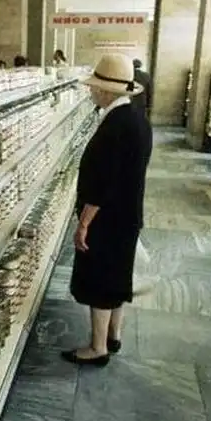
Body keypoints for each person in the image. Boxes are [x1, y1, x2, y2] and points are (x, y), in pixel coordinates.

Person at [62, 53, 153, 367]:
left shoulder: (115, 126)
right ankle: (114, 334)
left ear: (105, 90)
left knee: (100, 280)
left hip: (107, 219)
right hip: (127, 215)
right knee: (118, 276)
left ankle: (97, 348)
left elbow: (103, 183)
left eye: (94, 86)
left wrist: (84, 223)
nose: (90, 90)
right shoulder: (137, 119)